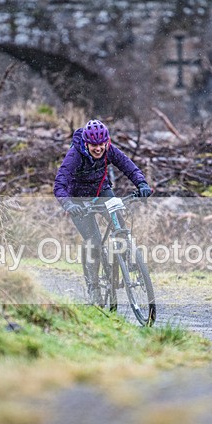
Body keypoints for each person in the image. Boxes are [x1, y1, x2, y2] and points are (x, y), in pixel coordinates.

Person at [54, 119, 153, 304]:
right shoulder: (75, 155)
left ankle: (128, 262)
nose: (98, 149)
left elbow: (129, 166)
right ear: (86, 143)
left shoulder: (109, 149)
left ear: (106, 142)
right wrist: (68, 205)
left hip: (102, 192)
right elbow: (60, 184)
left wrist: (141, 183)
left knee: (121, 227)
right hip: (79, 200)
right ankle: (93, 287)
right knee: (95, 243)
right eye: (94, 145)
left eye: (101, 144)